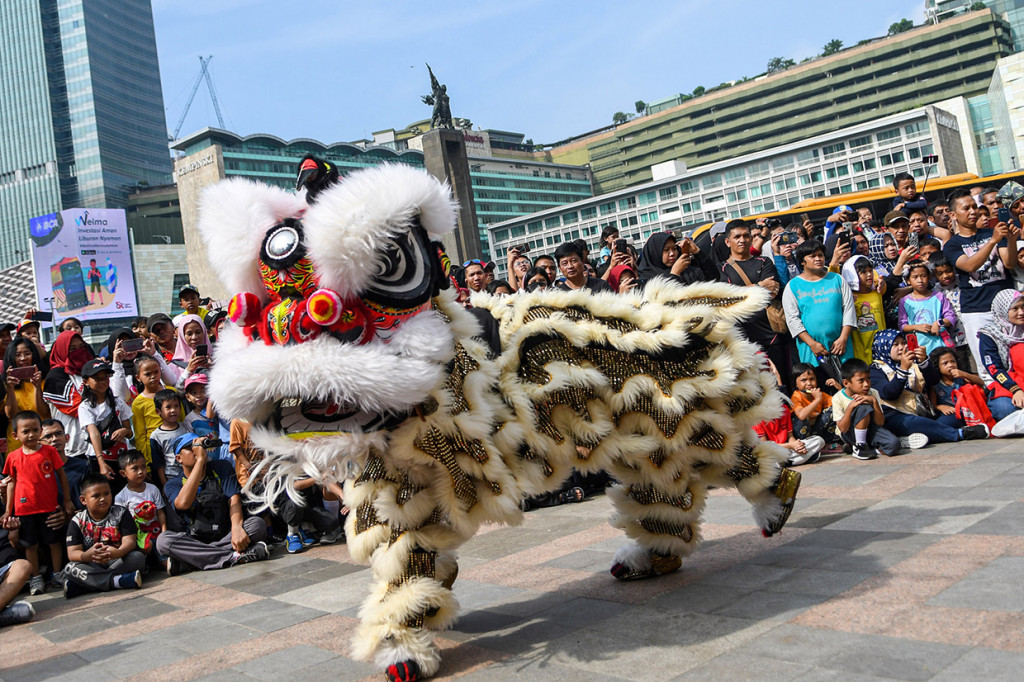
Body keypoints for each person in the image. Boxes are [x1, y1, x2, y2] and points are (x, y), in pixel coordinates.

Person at [157, 435, 269, 574]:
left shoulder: (221, 467)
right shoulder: (172, 484)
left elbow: (233, 500)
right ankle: (234, 557)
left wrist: (237, 528)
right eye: (190, 449)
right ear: (179, 458)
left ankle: (192, 562)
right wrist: (200, 461)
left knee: (257, 524)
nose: (197, 451)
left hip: (226, 535)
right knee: (163, 541)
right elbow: (183, 504)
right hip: (195, 541)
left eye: (199, 447)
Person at [941, 189, 1020, 378]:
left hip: (1007, 309)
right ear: (953, 215)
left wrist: (1010, 240)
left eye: (974, 207)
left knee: (1017, 359)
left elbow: (1009, 263)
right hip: (977, 311)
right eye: (966, 208)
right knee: (988, 367)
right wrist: (993, 241)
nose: (973, 211)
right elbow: (969, 265)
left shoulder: (993, 232)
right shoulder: (953, 244)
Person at [1, 411, 75, 594]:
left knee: (54, 542)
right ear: (15, 435)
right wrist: (9, 510)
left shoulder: (49, 451)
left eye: (35, 430)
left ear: (40, 431)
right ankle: (35, 578)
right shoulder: (13, 457)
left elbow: (62, 476)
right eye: (26, 431)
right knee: (30, 545)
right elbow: (11, 484)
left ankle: (57, 574)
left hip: (50, 507)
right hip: (25, 510)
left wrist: (66, 500)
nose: (31, 434)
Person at [870, 330, 986, 445]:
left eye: (903, 343)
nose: (901, 347)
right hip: (895, 415)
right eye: (895, 345)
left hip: (922, 412)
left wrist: (923, 361)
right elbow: (889, 393)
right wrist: (903, 369)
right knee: (915, 423)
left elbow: (933, 380)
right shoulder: (876, 369)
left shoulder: (913, 362)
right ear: (883, 347)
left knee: (948, 419)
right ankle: (961, 434)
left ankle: (909, 437)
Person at [719, 220, 789, 389]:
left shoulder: (764, 262)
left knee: (781, 384)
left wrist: (740, 292)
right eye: (737, 237)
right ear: (728, 242)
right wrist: (758, 286)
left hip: (772, 335)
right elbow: (727, 299)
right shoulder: (722, 268)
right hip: (742, 338)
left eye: (746, 236)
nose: (742, 240)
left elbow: (772, 291)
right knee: (754, 389)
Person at [781, 239, 856, 378]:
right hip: (812, 352)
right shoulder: (793, 286)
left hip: (841, 348)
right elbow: (793, 320)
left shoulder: (837, 279)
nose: (818, 259)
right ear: (802, 261)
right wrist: (812, 343)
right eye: (812, 256)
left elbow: (849, 311)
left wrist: (843, 338)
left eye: (820, 255)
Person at [62, 472, 145, 598]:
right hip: (92, 563)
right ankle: (118, 581)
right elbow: (72, 553)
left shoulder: (121, 513)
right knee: (69, 568)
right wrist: (87, 556)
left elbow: (130, 542)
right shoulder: (77, 521)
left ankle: (84, 585)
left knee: (137, 557)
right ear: (83, 500)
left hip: (117, 560)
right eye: (96, 496)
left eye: (107, 493)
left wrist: (118, 552)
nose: (103, 499)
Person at [77, 359, 133, 488]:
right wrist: (101, 461)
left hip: (121, 456)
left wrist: (124, 432)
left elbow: (129, 433)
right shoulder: (85, 407)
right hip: (98, 457)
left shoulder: (118, 402)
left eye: (105, 377)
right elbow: (93, 433)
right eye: (97, 378)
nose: (103, 381)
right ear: (86, 382)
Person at [42, 330, 95, 463]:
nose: (78, 351)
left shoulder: (92, 371)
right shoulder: (56, 376)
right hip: (73, 446)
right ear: (62, 351)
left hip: (97, 446)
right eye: (72, 349)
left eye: (81, 347)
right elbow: (79, 408)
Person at [832, 358, 901, 460]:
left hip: (870, 429)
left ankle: (863, 448)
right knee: (863, 407)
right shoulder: (838, 398)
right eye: (861, 380)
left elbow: (880, 423)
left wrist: (874, 401)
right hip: (849, 433)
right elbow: (843, 428)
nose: (866, 384)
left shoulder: (873, 393)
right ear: (846, 383)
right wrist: (851, 407)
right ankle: (860, 446)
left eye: (868, 379)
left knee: (894, 445)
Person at [978, 289, 1024, 421]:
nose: (1021, 312)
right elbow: (994, 368)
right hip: (1007, 384)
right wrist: (1016, 390)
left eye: (1023, 307)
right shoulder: (990, 334)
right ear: (1003, 310)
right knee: (1005, 409)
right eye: (1015, 308)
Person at [113, 450, 167, 555]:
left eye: (143, 467)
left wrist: (164, 532)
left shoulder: (153, 489)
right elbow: (122, 523)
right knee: (146, 546)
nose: (141, 471)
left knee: (164, 551)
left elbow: (160, 512)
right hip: (138, 535)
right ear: (123, 473)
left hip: (156, 531)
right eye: (135, 468)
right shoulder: (121, 497)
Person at [898, 260, 957, 356]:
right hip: (918, 346)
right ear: (908, 280)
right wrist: (917, 327)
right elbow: (902, 325)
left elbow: (951, 317)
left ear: (929, 277)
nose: (920, 280)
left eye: (923, 276)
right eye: (915, 277)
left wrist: (938, 323)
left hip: (940, 343)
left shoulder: (939, 297)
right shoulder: (905, 302)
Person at [4, 336, 49, 454]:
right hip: (17, 446)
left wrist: (37, 387)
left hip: (43, 441)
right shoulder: (7, 383)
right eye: (18, 355)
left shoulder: (45, 380)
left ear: (34, 355)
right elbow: (11, 414)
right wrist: (10, 388)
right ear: (11, 358)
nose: (23, 358)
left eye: (27, 353)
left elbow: (44, 412)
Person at [841, 255, 886, 365]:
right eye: (863, 272)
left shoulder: (877, 292)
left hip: (880, 348)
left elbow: (882, 283)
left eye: (870, 270)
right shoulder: (849, 297)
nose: (869, 274)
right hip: (859, 351)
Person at [754, 398, 823, 466]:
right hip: (772, 450)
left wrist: (798, 447)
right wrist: (791, 446)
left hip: (786, 449)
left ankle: (787, 461)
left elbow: (790, 436)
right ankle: (799, 459)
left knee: (819, 440)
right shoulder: (757, 418)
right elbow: (764, 446)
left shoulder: (784, 409)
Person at [636, 232, 716, 287]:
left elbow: (713, 277)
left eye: (674, 249)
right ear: (654, 253)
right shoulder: (646, 278)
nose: (672, 254)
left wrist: (697, 252)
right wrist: (674, 274)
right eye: (666, 250)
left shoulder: (686, 271)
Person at [41, 418, 88, 508]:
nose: (55, 439)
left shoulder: (83, 467)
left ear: (67, 438)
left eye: (59, 434)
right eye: (48, 436)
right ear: (39, 443)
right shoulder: (36, 471)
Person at [150, 389, 191, 487]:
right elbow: (158, 463)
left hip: (190, 473)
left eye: (176, 406)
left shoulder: (185, 427)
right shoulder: (156, 436)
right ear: (158, 411)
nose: (173, 410)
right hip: (172, 476)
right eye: (168, 407)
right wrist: (164, 483)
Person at [929, 347, 986, 416]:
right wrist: (941, 407)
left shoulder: (961, 378)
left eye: (953, 361)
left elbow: (981, 382)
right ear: (937, 366)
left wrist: (965, 374)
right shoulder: (936, 384)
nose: (950, 365)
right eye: (945, 363)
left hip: (968, 411)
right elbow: (933, 404)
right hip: (951, 413)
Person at [790, 363, 838, 444]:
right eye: (803, 380)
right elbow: (801, 416)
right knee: (801, 418)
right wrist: (817, 400)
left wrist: (838, 387)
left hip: (816, 431)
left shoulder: (819, 394)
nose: (809, 383)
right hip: (801, 434)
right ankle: (805, 445)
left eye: (812, 379)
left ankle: (826, 443)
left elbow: (839, 402)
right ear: (796, 383)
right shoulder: (796, 396)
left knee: (833, 410)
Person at [170, 314, 212, 389]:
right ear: (182, 336)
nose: (194, 337)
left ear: (204, 332)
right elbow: (177, 392)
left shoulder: (217, 357)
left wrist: (212, 367)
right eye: (189, 334)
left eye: (198, 332)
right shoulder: (174, 365)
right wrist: (189, 370)